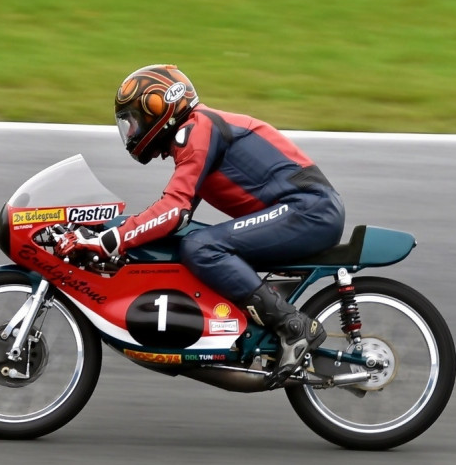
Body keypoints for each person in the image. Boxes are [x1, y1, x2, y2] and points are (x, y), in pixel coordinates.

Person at [55, 64, 345, 384]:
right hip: (303, 210)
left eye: (133, 120)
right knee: (190, 241)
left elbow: (174, 209)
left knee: (202, 246)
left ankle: (294, 326)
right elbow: (174, 216)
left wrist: (109, 240)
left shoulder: (198, 128)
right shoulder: (194, 135)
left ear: (158, 108)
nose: (131, 131)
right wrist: (119, 231)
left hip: (309, 210)